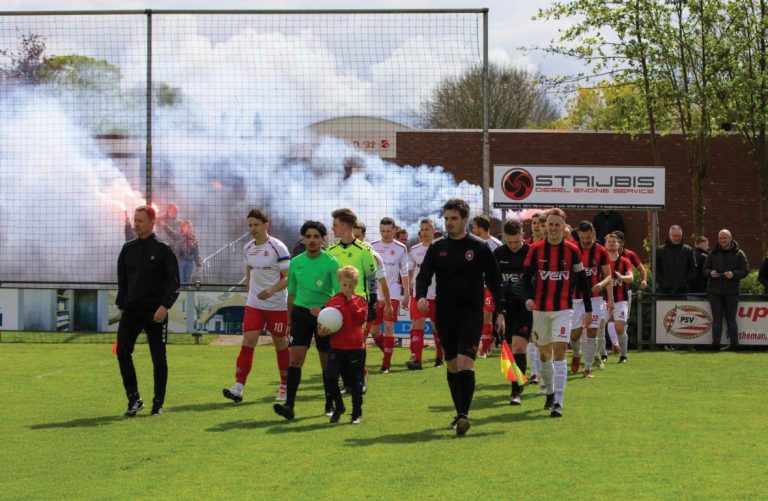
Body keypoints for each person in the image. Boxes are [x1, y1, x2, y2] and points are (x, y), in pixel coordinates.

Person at [416, 199, 505, 436]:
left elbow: (496, 280)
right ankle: (459, 412)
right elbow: (423, 275)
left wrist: (500, 311)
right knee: (453, 364)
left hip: (471, 313)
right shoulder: (437, 247)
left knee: (466, 362)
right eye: (446, 219)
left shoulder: (479, 247)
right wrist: (421, 296)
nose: (449, 223)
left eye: (453, 218)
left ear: (465, 220)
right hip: (445, 313)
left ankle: (464, 415)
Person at [523, 207, 592, 418]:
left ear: (563, 228)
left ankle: (559, 403)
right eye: (549, 225)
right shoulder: (535, 249)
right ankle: (550, 393)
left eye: (556, 225)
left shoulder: (572, 251)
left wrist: (588, 309)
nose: (552, 228)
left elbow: (583, 280)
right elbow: (525, 278)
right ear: (545, 227)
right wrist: (528, 297)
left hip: (563, 309)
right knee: (544, 355)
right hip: (541, 310)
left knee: (560, 352)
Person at [115, 205, 180, 417]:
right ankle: (134, 398)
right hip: (132, 311)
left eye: (140, 220)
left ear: (152, 223)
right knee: (123, 351)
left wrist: (164, 306)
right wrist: (122, 306)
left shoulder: (163, 250)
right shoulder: (127, 249)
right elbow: (122, 282)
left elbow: (174, 282)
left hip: (155, 313)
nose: (136, 224)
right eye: (135, 220)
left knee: (158, 357)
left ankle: (158, 402)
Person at [223, 209, 291, 404]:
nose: (252, 229)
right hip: (254, 304)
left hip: (277, 305)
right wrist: (250, 290)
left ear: (266, 225)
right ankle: (238, 388)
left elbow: (287, 278)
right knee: (248, 341)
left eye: (256, 225)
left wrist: (270, 291)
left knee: (280, 343)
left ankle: (285, 386)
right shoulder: (248, 248)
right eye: (250, 225)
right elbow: (249, 271)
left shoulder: (278, 247)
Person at [273, 221, 340, 421]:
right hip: (301, 314)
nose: (311, 240)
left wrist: (325, 310)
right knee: (295, 359)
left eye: (316, 237)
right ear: (303, 238)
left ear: (323, 239)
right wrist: (288, 322)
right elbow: (291, 294)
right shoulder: (296, 262)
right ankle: (289, 406)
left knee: (326, 362)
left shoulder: (331, 263)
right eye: (308, 236)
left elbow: (338, 295)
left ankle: (329, 401)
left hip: (324, 316)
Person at [328, 209, 392, 372]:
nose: (332, 228)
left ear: (343, 226)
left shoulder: (364, 251)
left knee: (357, 344)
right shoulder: (330, 251)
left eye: (335, 225)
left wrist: (371, 305)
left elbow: (371, 279)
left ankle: (359, 378)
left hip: (358, 305)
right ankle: (349, 382)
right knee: (339, 345)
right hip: (336, 306)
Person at [319, 266, 368, 424]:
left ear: (355, 285)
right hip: (336, 348)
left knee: (355, 382)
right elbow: (325, 323)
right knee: (330, 378)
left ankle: (356, 413)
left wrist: (351, 302)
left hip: (355, 349)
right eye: (344, 285)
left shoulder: (360, 301)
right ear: (339, 283)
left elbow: (360, 320)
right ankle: (339, 406)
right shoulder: (332, 301)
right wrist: (321, 332)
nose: (347, 288)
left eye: (351, 285)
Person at [493, 219, 532, 405]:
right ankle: (517, 381)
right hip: (505, 309)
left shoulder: (531, 252)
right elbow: (494, 284)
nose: (514, 245)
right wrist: (499, 311)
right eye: (510, 242)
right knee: (508, 348)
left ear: (522, 234)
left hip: (525, 308)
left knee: (518, 346)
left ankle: (515, 391)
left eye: (516, 241)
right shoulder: (498, 254)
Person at [569, 221, 613, 377]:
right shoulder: (572, 249)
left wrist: (601, 284)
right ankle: (576, 353)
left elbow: (608, 275)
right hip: (576, 299)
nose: (586, 240)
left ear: (594, 234)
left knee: (592, 332)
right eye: (583, 237)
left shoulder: (601, 251)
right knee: (574, 335)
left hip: (595, 299)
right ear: (579, 235)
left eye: (589, 237)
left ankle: (587, 368)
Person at [370, 217, 410, 372]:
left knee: (388, 327)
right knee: (374, 331)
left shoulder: (401, 248)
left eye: (388, 231)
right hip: (376, 293)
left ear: (394, 230)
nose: (385, 234)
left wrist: (406, 294)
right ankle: (387, 351)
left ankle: (385, 365)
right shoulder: (372, 246)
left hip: (392, 292)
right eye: (382, 231)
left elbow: (404, 272)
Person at [406, 218, 445, 369]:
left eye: (427, 229)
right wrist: (409, 291)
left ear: (433, 231)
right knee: (417, 325)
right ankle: (417, 360)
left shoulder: (441, 249)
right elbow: (411, 272)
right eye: (422, 229)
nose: (424, 232)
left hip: (437, 295)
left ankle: (439, 358)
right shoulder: (414, 250)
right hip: (419, 295)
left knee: (437, 328)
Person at [703, 229, 748, 351]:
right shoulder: (712, 253)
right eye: (720, 238)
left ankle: (735, 344)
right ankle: (715, 344)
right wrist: (710, 273)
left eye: (725, 238)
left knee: (731, 320)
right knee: (716, 319)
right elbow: (704, 269)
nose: (722, 240)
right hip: (715, 292)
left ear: (730, 238)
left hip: (732, 292)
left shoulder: (739, 254)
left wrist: (733, 274)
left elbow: (745, 271)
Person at [471, 214, 503, 357]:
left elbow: (499, 268)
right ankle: (481, 344)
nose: (472, 228)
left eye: (474, 226)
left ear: (480, 228)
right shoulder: (472, 243)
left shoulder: (496, 244)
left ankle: (483, 350)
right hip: (474, 286)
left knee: (486, 316)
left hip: (489, 286)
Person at [605, 232, 634, 363]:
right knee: (598, 327)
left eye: (614, 241)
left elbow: (631, 277)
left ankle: (623, 355)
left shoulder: (624, 261)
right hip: (603, 300)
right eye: (609, 241)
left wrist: (621, 277)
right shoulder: (602, 261)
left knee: (620, 327)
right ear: (605, 245)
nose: (611, 243)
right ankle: (602, 355)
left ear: (619, 244)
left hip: (621, 300)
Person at [655, 225, 697, 296]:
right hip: (664, 290)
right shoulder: (660, 251)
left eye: (679, 236)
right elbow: (654, 268)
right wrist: (661, 281)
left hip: (682, 290)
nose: (677, 238)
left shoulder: (688, 250)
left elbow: (693, 268)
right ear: (669, 235)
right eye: (674, 235)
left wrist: (686, 282)